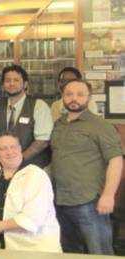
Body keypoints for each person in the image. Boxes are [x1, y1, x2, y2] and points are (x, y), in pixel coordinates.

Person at [51, 79, 124, 255]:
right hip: (59, 200)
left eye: (80, 94)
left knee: (100, 251)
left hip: (89, 201)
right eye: (69, 94)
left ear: (89, 98)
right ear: (63, 97)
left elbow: (116, 160)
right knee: (69, 251)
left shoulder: (101, 126)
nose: (74, 98)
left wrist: (108, 196)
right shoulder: (59, 124)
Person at [0, 132, 61, 252]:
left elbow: (33, 219)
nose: (9, 152)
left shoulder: (36, 175)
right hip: (1, 245)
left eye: (13, 147)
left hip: (35, 247)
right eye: (3, 148)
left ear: (20, 149)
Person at [0, 65, 53, 169]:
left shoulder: (39, 106)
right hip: (5, 168)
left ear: (25, 84)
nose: (11, 83)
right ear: (3, 84)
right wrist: (1, 159)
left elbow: (43, 141)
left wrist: (19, 160)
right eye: (8, 80)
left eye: (16, 80)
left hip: (34, 169)